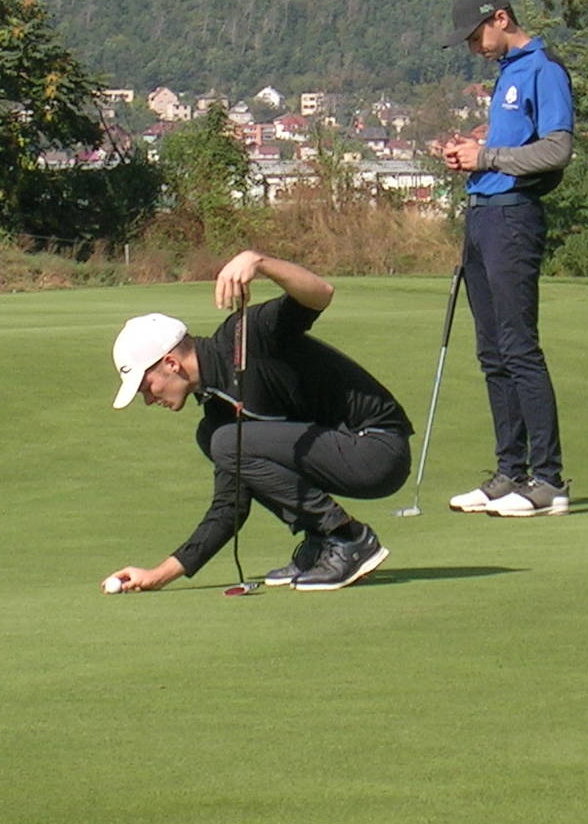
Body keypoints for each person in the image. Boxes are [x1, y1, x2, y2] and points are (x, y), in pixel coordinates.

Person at [105, 250, 412, 594]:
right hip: (342, 449)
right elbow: (229, 508)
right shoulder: (219, 414)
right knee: (216, 438)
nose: (149, 399)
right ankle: (322, 538)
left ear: (171, 364)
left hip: (377, 446)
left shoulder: (245, 336)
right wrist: (158, 575)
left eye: (146, 387)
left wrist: (259, 262)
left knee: (223, 441)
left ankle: (347, 537)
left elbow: (320, 293)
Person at [437, 0, 574, 517]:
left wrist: (487, 156)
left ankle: (549, 481)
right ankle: (509, 472)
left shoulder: (544, 68)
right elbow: (511, 143)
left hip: (514, 218)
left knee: (519, 349)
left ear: (500, 18)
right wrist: (472, 149)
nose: (475, 48)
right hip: (483, 216)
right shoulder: (507, 73)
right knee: (492, 352)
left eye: (476, 37)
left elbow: (557, 149)